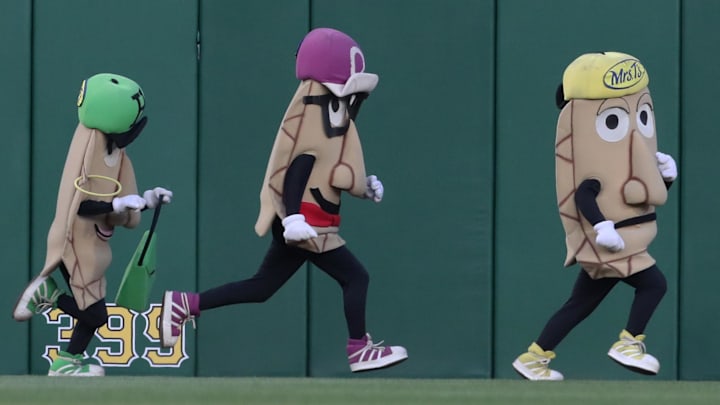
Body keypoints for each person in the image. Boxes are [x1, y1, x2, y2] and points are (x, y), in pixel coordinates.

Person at [160, 27, 408, 373]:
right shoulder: (311, 113)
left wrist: (362, 185)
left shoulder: (331, 115)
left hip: (305, 223)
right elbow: (298, 166)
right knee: (356, 277)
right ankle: (358, 348)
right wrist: (292, 218)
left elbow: (328, 168)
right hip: (305, 224)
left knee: (262, 287)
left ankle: (186, 304)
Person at [512, 52, 676, 381]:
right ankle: (629, 343)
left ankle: (534, 358)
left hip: (618, 240)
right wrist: (602, 228)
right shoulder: (593, 159)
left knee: (580, 304)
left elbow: (635, 197)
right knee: (654, 284)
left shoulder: (629, 161)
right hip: (610, 242)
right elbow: (584, 194)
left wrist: (666, 180)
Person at [13, 73, 173, 376]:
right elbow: (79, 206)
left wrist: (148, 200)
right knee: (96, 315)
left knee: (95, 312)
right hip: (73, 242)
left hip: (95, 247)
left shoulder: (117, 154)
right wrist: (115, 205)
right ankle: (49, 295)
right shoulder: (86, 148)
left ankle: (65, 362)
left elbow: (125, 204)